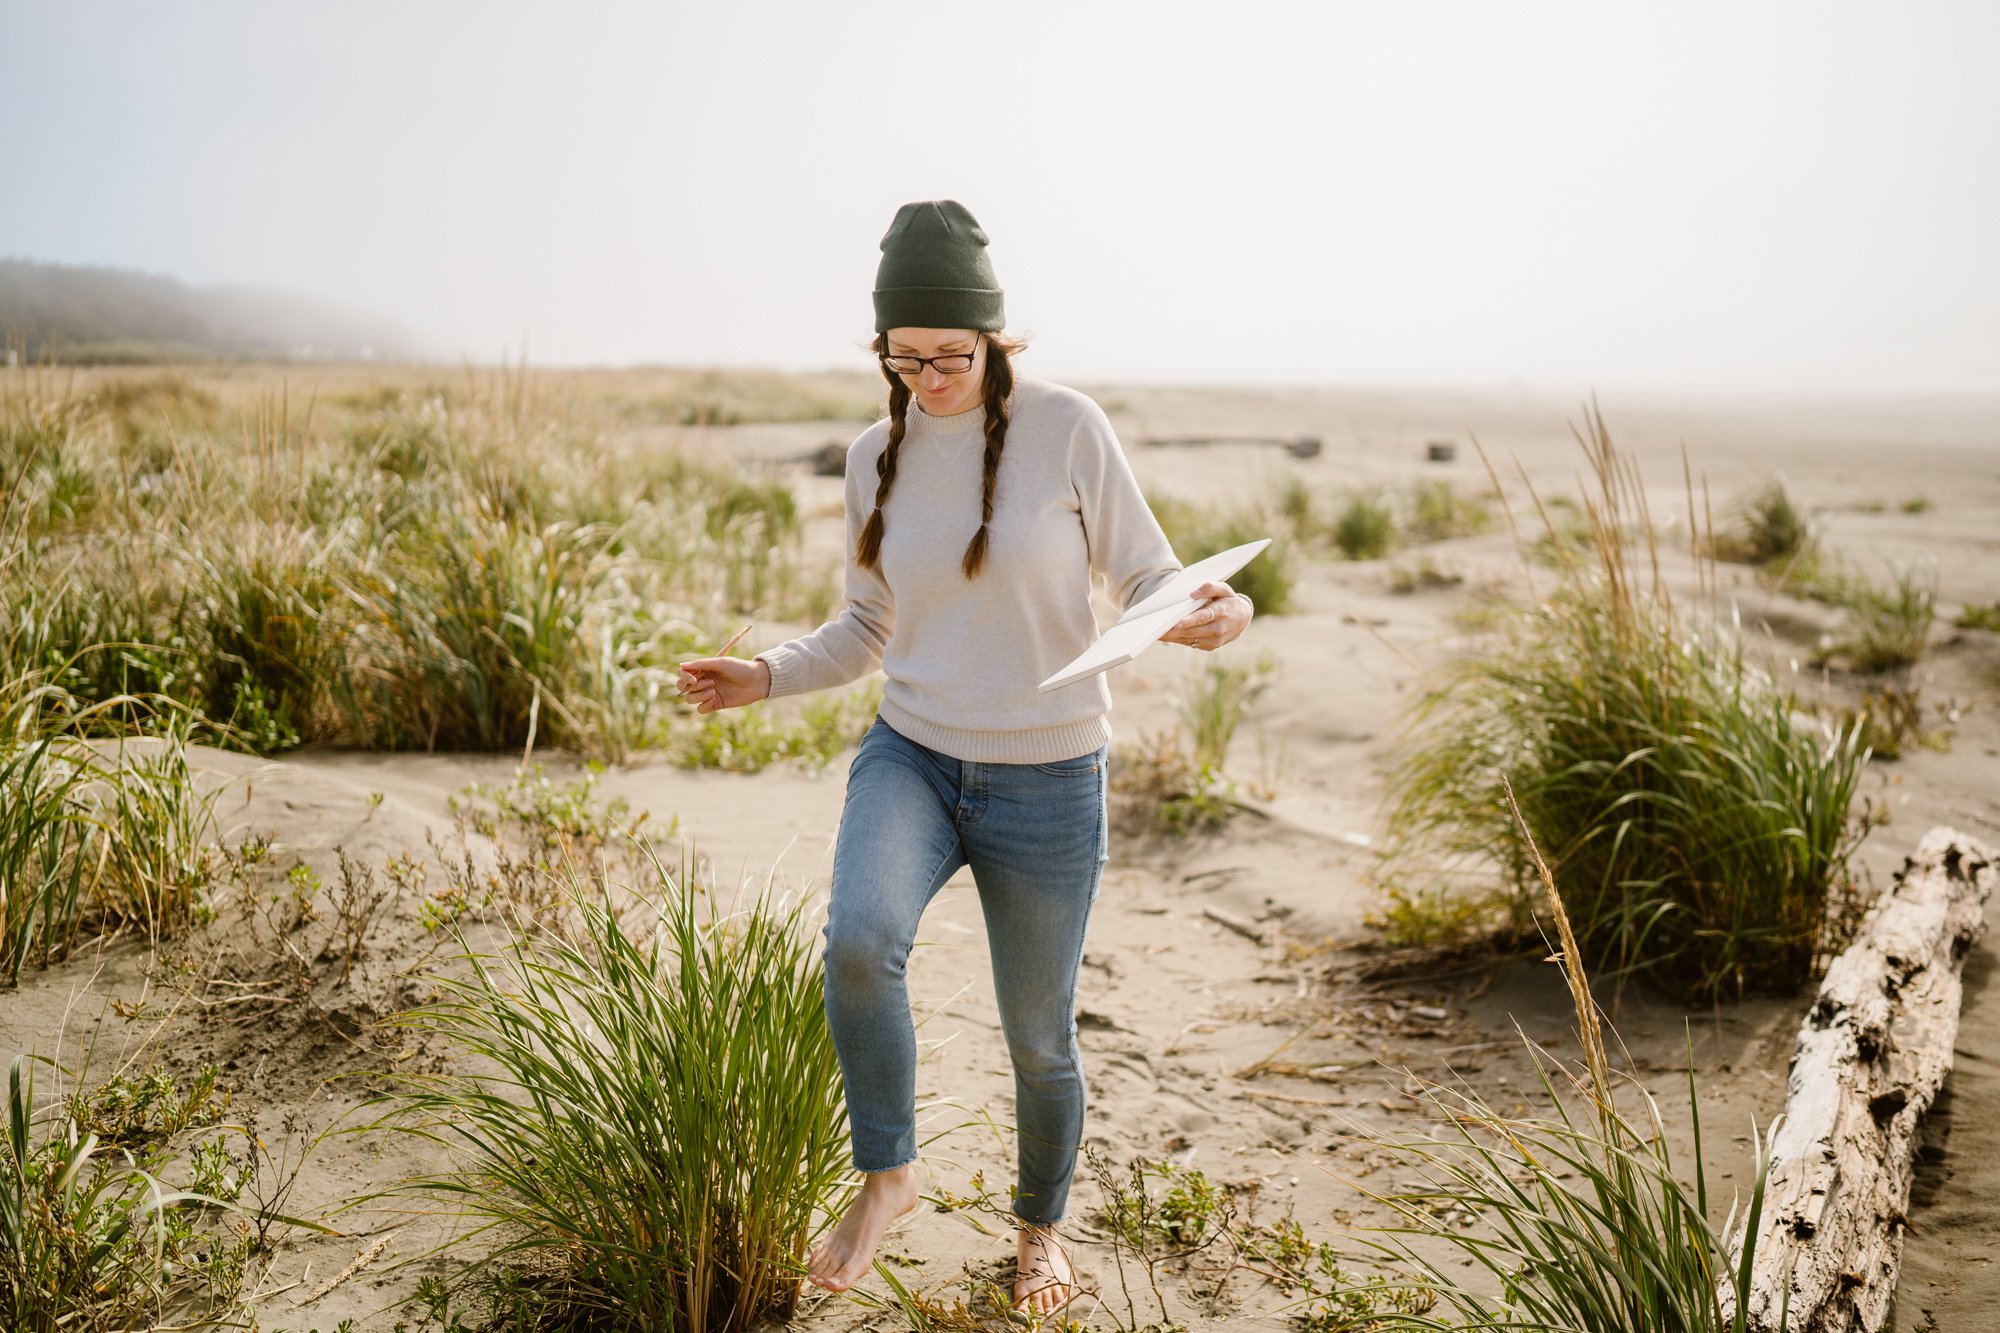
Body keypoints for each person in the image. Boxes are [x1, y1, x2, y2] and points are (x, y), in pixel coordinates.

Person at [675, 199, 1252, 1315]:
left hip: (1049, 774)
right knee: (858, 940)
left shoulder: (1069, 427)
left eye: (953, 353)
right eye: (905, 357)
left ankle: (1039, 1230)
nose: (930, 376)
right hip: (915, 757)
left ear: (996, 340)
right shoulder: (871, 457)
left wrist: (1208, 616)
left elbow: (1149, 579)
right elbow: (862, 626)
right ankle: (888, 1173)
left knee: (1038, 1037)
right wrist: (765, 674)